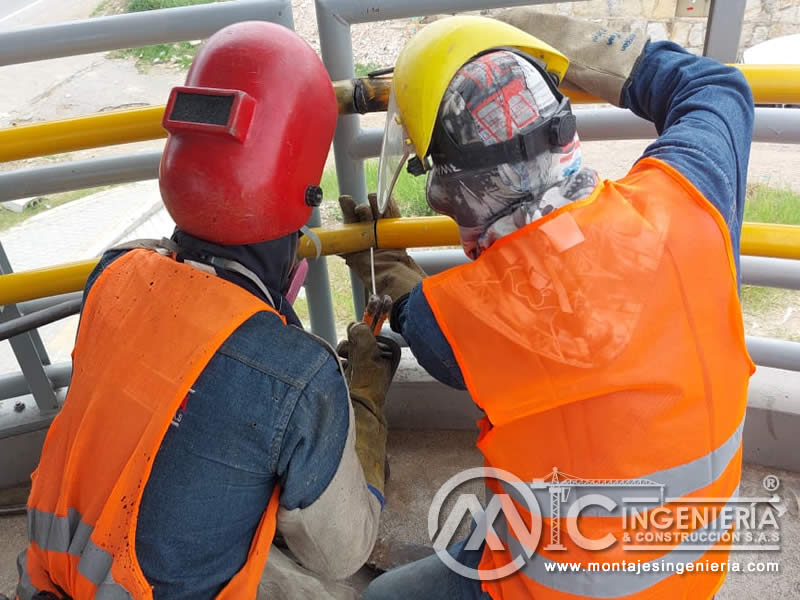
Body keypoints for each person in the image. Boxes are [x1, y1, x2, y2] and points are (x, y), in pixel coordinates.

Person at [339, 13, 755, 600]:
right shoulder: (689, 204)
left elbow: (415, 308)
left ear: (456, 192)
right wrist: (578, 43)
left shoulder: (460, 320)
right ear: (564, 132)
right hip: (695, 567)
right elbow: (718, 88)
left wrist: (383, 263)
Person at [16, 22, 399, 600]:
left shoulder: (113, 274)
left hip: (54, 577)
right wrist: (361, 402)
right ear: (305, 196)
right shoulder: (297, 375)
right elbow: (343, 552)